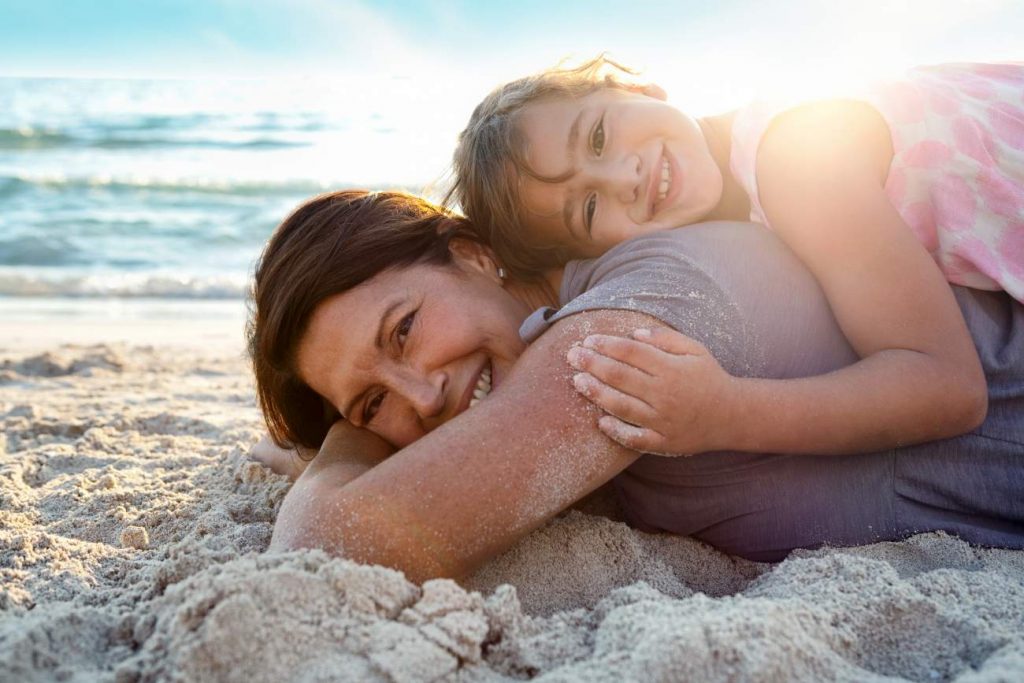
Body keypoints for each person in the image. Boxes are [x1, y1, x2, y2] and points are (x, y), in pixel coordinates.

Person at [247, 189, 1024, 583]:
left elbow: (332, 546)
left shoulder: (626, 331)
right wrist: (344, 430)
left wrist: (347, 437)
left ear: (474, 252)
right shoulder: (549, 385)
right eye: (376, 401)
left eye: (405, 330)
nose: (420, 396)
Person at [447, 57, 1023, 457]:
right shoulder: (751, 163)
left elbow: (948, 388)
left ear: (638, 89)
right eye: (589, 209)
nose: (625, 176)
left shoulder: (796, 159)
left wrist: (727, 413)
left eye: (598, 136)